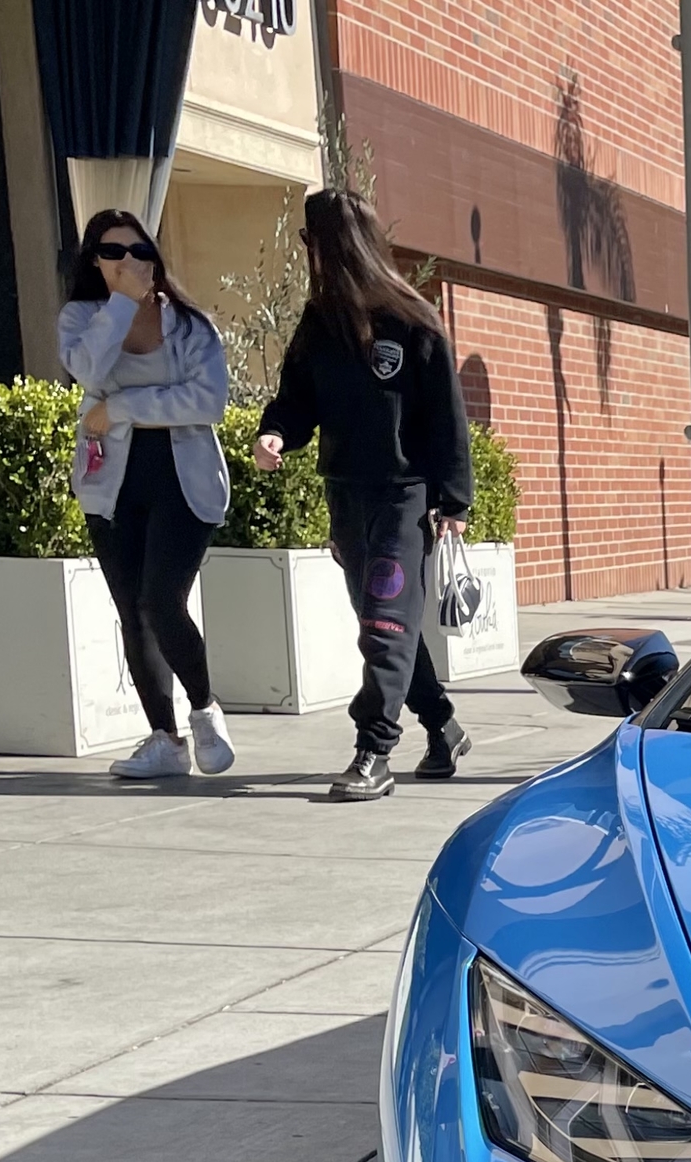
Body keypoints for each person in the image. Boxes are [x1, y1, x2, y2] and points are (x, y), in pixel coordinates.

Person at [254, 189, 472, 802]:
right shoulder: (319, 324)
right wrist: (275, 433)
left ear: (328, 245)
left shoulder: (413, 321)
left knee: (384, 623)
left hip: (404, 497)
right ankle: (444, 727)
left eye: (308, 242)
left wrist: (452, 502)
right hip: (346, 494)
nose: (306, 254)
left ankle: (373, 749)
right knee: (386, 624)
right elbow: (297, 398)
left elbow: (446, 418)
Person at [56, 211, 236, 780]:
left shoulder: (190, 324)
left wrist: (126, 407)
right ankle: (164, 738)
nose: (129, 260)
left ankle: (205, 710)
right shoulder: (82, 319)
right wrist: (122, 305)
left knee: (163, 601)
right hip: (112, 481)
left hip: (183, 478)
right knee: (132, 611)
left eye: (139, 250)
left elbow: (208, 401)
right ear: (94, 261)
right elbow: (87, 371)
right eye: (113, 252)